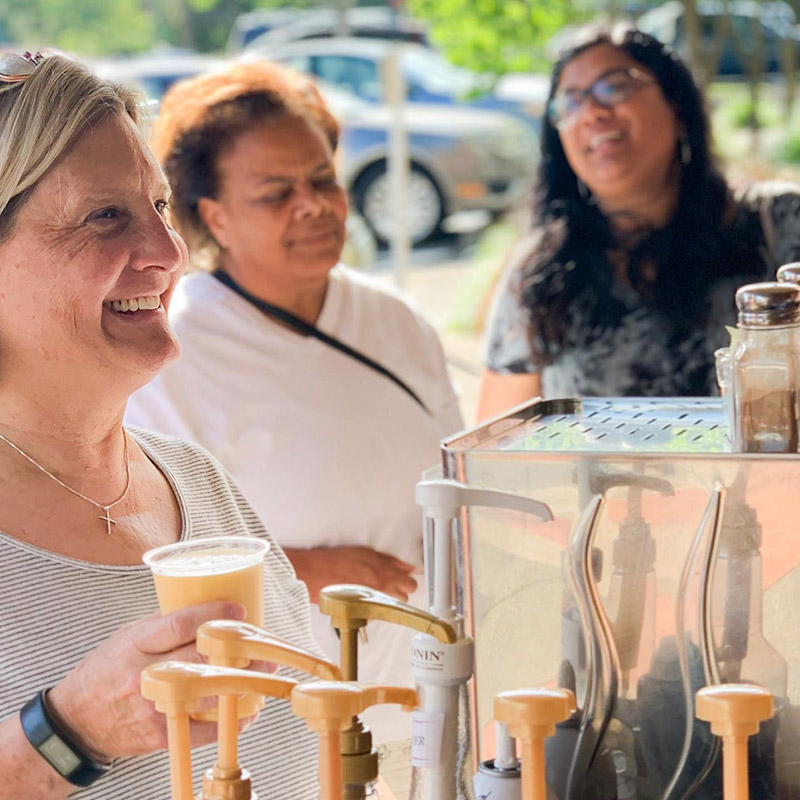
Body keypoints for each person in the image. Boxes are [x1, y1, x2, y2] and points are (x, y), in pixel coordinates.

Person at [0, 53, 321, 799]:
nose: (170, 254)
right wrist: (69, 731)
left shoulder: (196, 481)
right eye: (105, 216)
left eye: (162, 206)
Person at [125, 61, 464, 739]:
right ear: (214, 217)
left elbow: (461, 478)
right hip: (282, 728)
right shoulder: (172, 350)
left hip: (428, 711)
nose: (312, 204)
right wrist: (298, 570)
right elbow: (144, 557)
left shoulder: (395, 319)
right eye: (277, 193)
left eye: (323, 180)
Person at [478, 24, 800, 419]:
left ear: (677, 106)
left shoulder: (780, 226)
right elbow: (501, 446)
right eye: (571, 102)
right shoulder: (539, 275)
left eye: (614, 87)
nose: (592, 112)